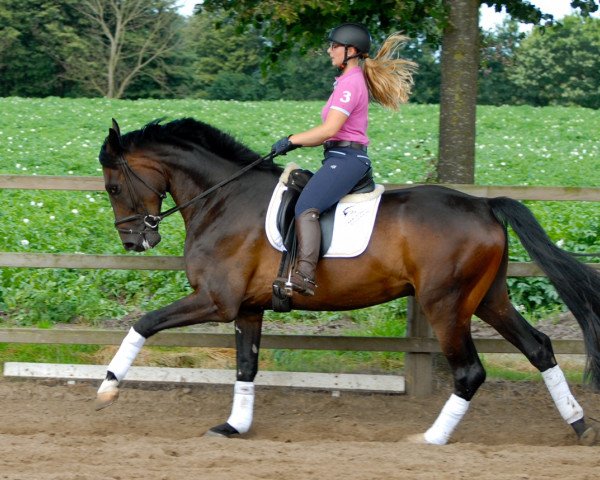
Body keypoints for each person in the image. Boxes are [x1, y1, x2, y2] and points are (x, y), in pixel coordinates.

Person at [271, 23, 417, 296]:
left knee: (307, 207)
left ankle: (304, 275)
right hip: (339, 156)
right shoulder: (346, 81)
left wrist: (292, 140)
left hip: (347, 158)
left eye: (334, 46)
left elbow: (329, 130)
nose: (329, 51)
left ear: (350, 51)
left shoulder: (350, 85)